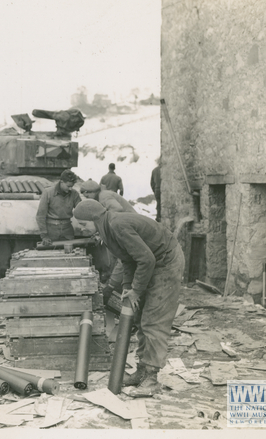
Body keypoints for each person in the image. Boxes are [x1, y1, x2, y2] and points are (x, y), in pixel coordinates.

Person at [73, 200, 184, 397]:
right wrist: (127, 288)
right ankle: (142, 370)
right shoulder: (107, 229)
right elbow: (127, 260)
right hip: (153, 261)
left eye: (83, 224)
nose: (82, 229)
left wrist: (136, 290)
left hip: (166, 261)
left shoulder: (117, 225)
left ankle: (151, 379)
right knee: (140, 318)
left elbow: (146, 259)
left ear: (93, 219)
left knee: (153, 320)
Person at [36, 169, 81, 246]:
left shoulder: (74, 194)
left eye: (72, 186)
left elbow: (81, 211)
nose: (70, 189)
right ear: (61, 182)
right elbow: (40, 215)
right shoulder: (48, 192)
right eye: (68, 186)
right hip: (51, 231)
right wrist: (44, 235)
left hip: (67, 231)